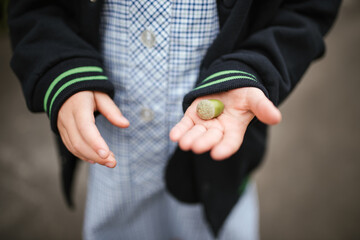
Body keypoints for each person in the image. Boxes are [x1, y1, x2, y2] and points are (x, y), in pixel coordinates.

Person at [8, 0, 341, 239]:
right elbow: (35, 9)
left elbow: (307, 10)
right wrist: (62, 70)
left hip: (218, 164)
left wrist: (255, 66)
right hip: (116, 154)